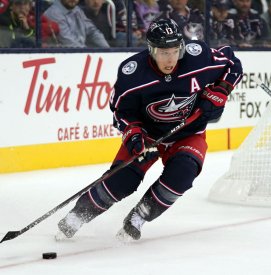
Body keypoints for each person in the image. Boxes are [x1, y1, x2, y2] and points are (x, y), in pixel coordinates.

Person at [55, 18, 243, 241]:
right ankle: (78, 215)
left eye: (174, 51)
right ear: (151, 50)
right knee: (122, 181)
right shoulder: (133, 74)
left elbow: (232, 63)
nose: (170, 58)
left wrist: (222, 90)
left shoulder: (198, 57)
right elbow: (121, 112)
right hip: (148, 135)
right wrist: (134, 135)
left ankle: (138, 218)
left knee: (183, 173)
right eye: (163, 52)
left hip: (188, 134)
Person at [44, 0, 109, 47]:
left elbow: (92, 31)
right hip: (62, 58)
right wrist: (89, 53)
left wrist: (107, 50)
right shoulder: (54, 13)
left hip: (79, 55)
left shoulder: (77, 9)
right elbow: (69, 43)